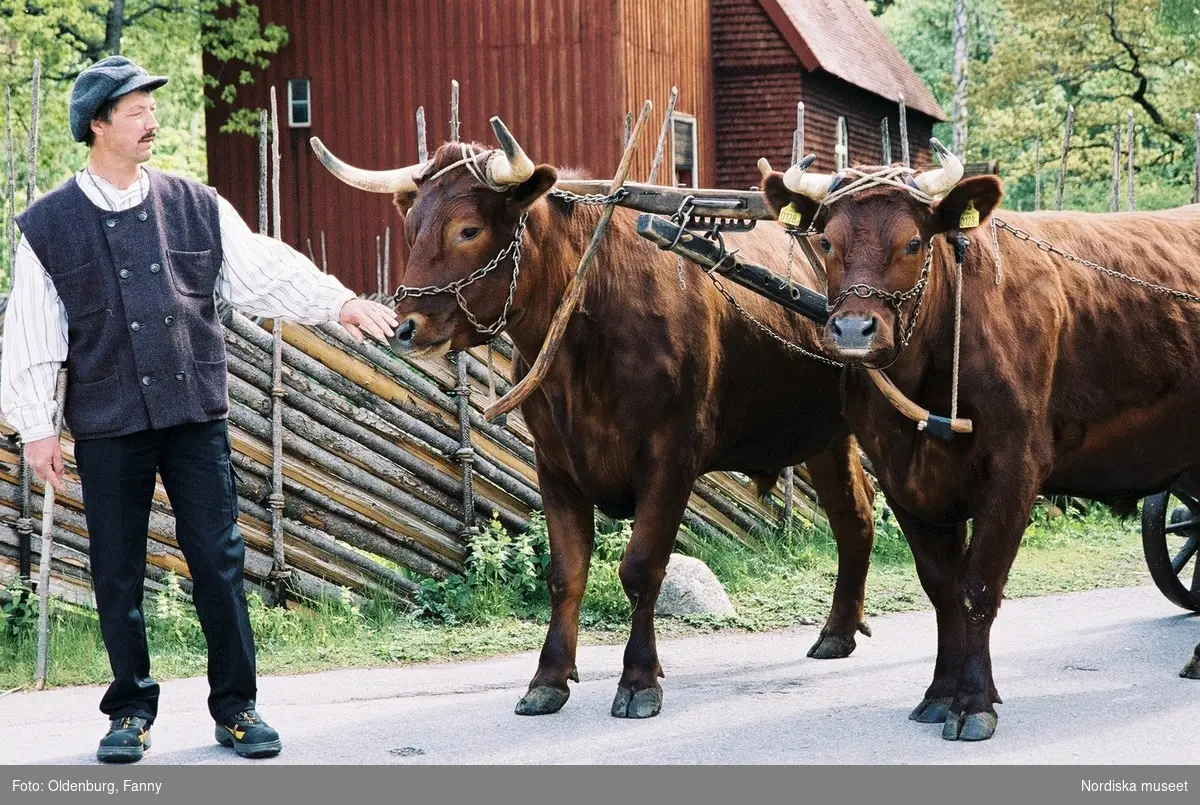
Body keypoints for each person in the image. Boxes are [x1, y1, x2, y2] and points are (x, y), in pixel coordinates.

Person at [0, 55, 398, 763]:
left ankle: (238, 706)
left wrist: (337, 301)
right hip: (108, 423)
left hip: (193, 415)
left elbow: (262, 268)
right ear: (98, 124)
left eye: (154, 107)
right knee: (117, 570)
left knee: (218, 559)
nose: (152, 119)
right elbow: (31, 331)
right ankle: (128, 711)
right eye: (137, 110)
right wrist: (36, 428)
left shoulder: (195, 203)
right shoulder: (49, 225)